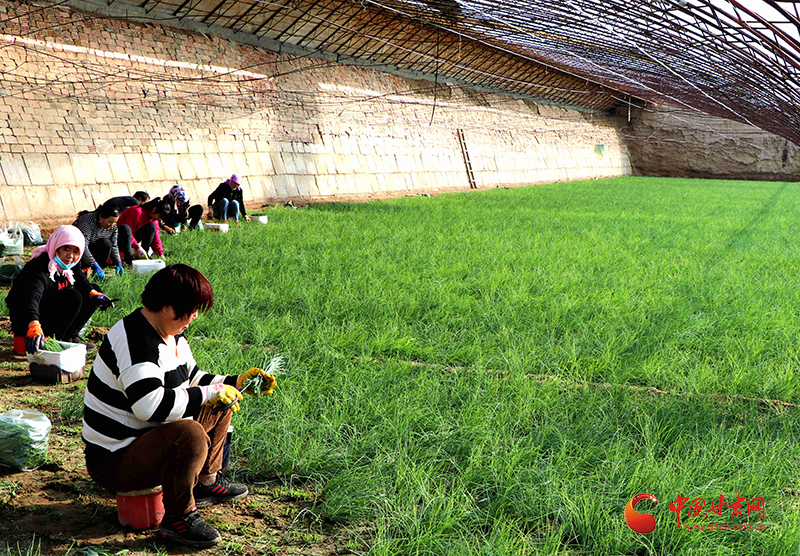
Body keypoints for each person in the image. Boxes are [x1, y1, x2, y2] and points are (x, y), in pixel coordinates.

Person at [81, 264, 277, 548]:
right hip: (114, 459)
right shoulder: (136, 340)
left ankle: (206, 482)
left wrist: (235, 382)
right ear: (166, 305)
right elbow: (148, 406)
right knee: (191, 433)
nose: (194, 317)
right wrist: (210, 391)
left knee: (222, 400)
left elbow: (193, 378)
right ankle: (178, 517)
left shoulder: (171, 332)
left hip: (144, 438)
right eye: (189, 309)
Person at [5, 225, 114, 352]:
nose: (71, 256)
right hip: (28, 318)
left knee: (92, 289)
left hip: (46, 310)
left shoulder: (69, 264)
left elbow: (79, 278)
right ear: (56, 247)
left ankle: (69, 337)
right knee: (74, 297)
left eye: (75, 251)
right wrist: (33, 324)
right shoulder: (38, 268)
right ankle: (56, 341)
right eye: (66, 249)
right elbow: (31, 297)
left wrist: (94, 293)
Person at [72, 201, 125, 279]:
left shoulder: (112, 226)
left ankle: (98, 275)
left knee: (106, 243)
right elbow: (83, 246)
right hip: (76, 250)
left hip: (92, 248)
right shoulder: (87, 222)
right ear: (101, 217)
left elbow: (114, 245)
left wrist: (118, 262)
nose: (112, 225)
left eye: (115, 222)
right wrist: (94, 265)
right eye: (110, 222)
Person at [117, 197, 171, 264]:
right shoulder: (137, 212)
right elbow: (127, 232)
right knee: (126, 229)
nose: (159, 219)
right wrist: (138, 247)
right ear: (154, 210)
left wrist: (161, 254)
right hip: (119, 237)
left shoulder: (153, 220)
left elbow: (156, 238)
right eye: (159, 216)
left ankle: (143, 255)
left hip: (131, 240)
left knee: (151, 227)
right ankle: (129, 258)